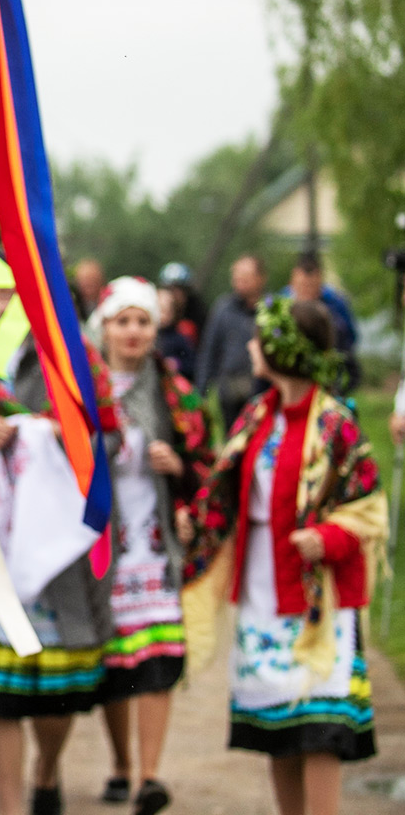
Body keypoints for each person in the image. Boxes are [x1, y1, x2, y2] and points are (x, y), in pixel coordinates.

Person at [185, 296, 385, 815]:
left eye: (259, 338)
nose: (250, 346)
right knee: (277, 725)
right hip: (261, 593)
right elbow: (226, 494)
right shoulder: (256, 417)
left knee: (319, 727)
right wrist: (198, 522)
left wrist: (329, 538)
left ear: (281, 349)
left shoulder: (335, 425)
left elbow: (367, 507)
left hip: (320, 602)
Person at [0, 285, 119, 815]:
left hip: (57, 552)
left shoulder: (73, 354)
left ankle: (46, 768)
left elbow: (109, 434)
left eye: (17, 288)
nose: (7, 300)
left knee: (55, 692)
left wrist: (62, 438)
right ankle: (10, 806)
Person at [88, 278, 214, 815]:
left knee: (156, 659)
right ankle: (119, 764)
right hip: (99, 543)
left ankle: (149, 777)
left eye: (142, 321)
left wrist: (179, 468)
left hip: (154, 543)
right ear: (105, 328)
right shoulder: (84, 386)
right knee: (115, 665)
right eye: (123, 321)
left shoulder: (173, 390)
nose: (133, 331)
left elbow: (208, 467)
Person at [196, 254, 269, 431]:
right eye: (236, 278)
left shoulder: (270, 309)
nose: (239, 283)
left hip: (263, 388)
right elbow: (209, 350)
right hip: (229, 389)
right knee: (232, 434)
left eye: (245, 278)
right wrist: (201, 391)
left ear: (261, 278)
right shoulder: (223, 308)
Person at [284, 251, 360, 393]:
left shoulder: (336, 306)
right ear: (292, 281)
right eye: (302, 286)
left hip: (328, 380)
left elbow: (350, 339)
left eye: (311, 286)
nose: (306, 291)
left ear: (320, 281)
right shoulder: (281, 307)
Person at [156, 262, 207, 352]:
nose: (175, 295)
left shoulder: (197, 315)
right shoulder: (153, 313)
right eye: (170, 289)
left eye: (179, 290)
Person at [155, 285, 197, 383]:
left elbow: (193, 364)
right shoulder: (148, 338)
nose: (161, 316)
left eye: (165, 311)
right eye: (159, 310)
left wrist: (178, 364)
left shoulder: (179, 339)